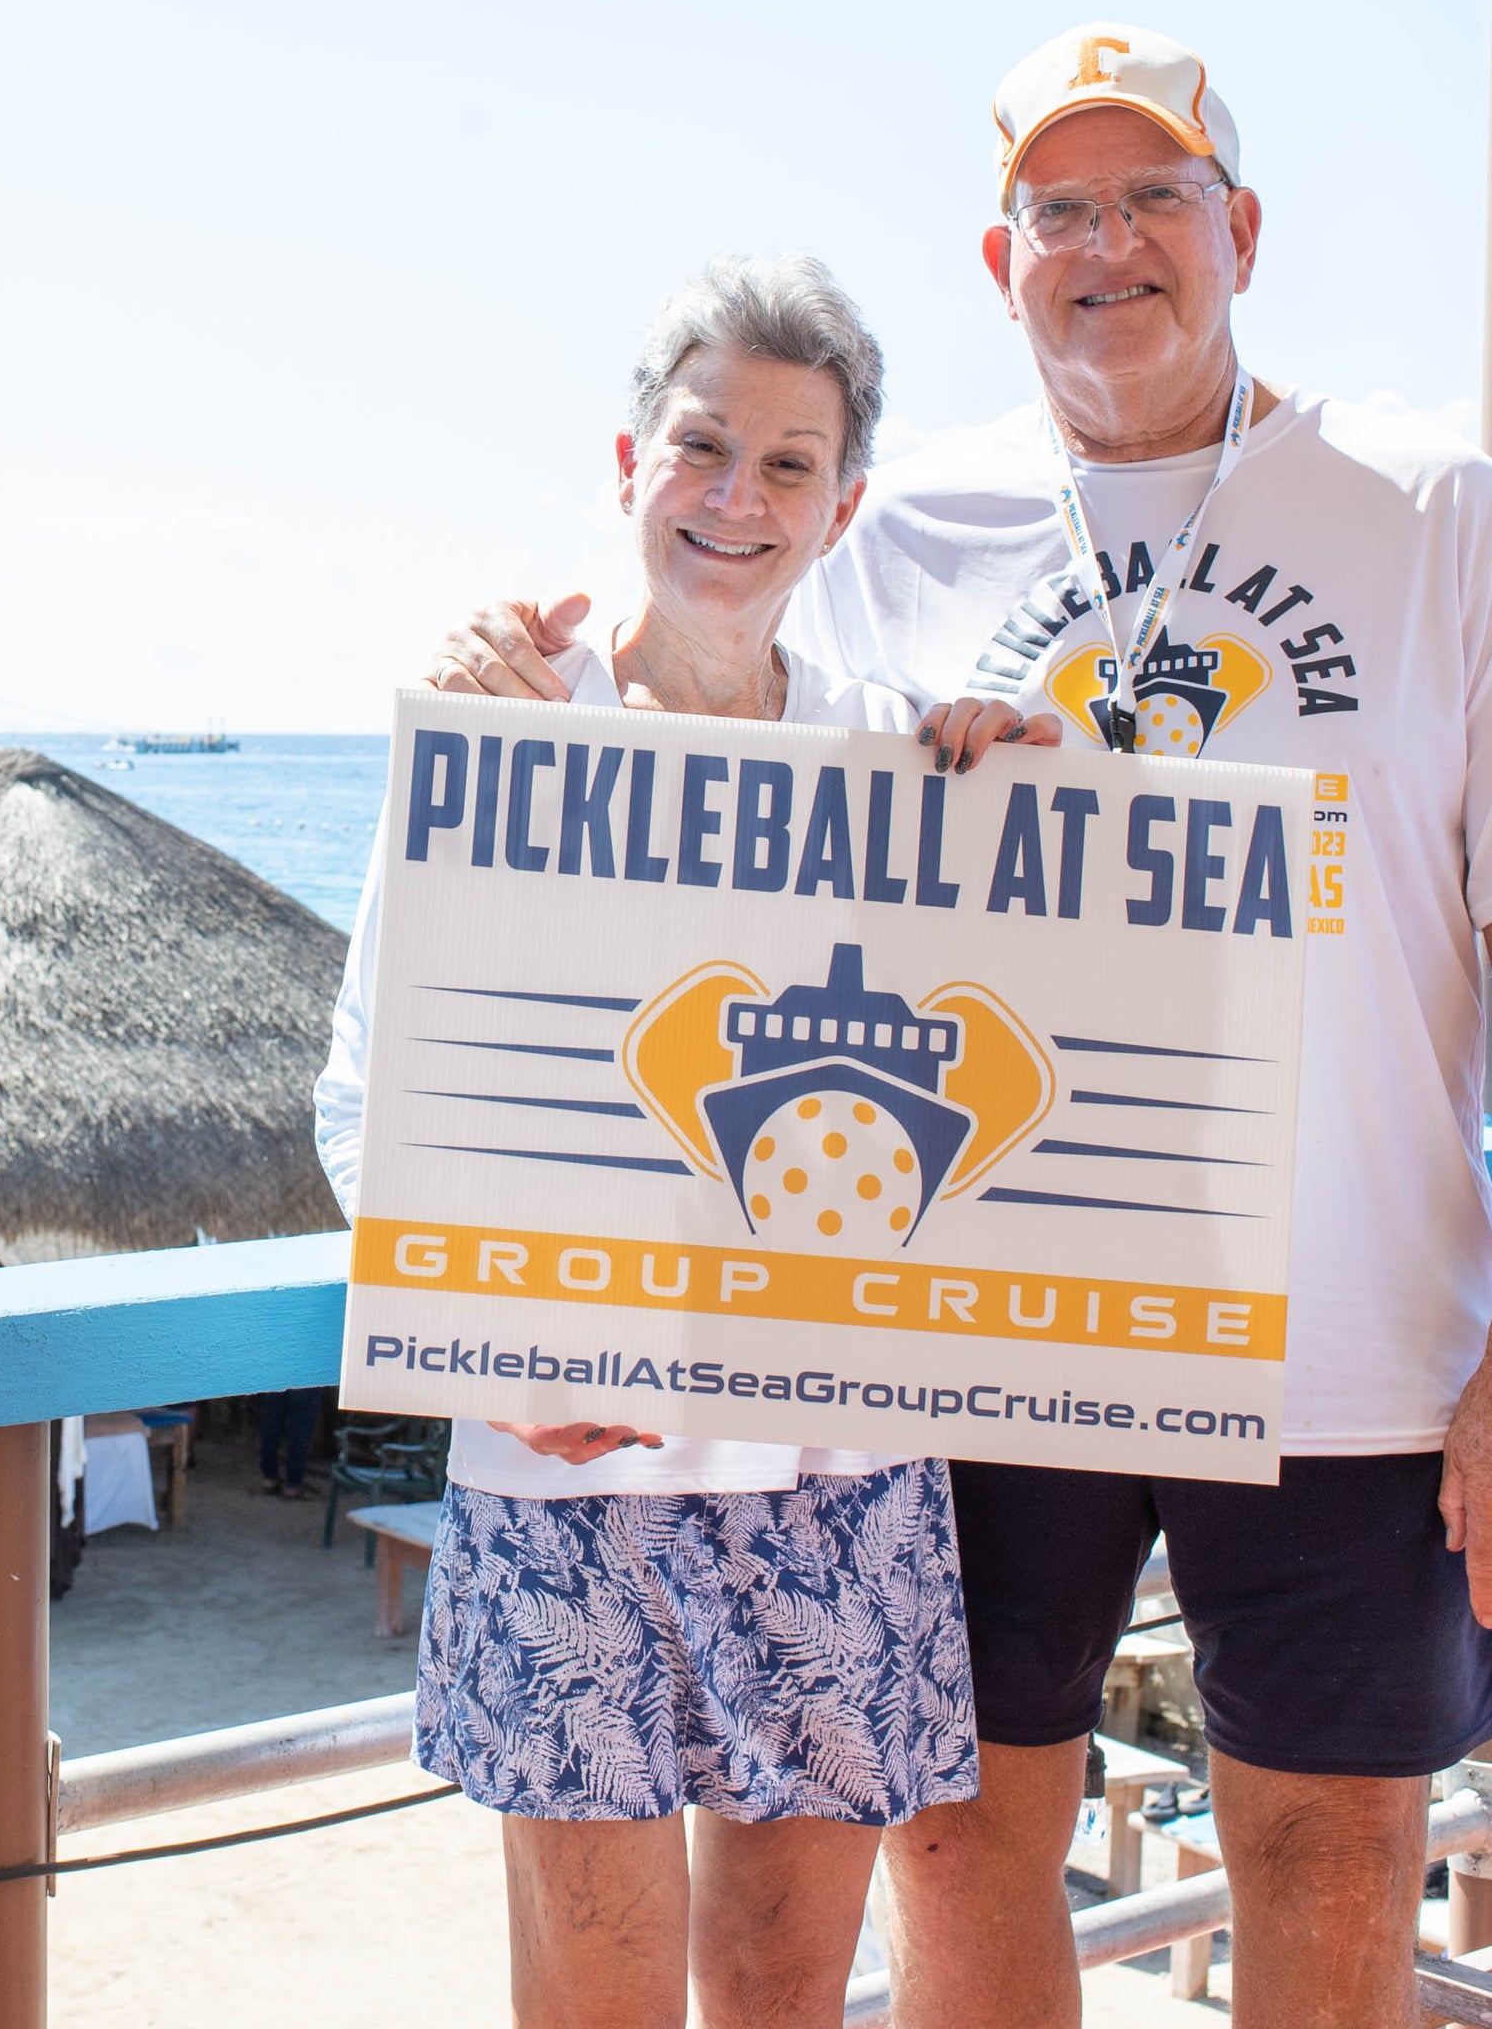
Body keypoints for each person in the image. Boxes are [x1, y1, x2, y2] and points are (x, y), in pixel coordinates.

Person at [428, 25, 1492, 2029]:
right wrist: (494, 667)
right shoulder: (899, 527)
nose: (1112, 246)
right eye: (1061, 210)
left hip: (1345, 1348)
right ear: (1004, 258)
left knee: (1336, 1850)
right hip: (988, 1337)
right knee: (959, 1844)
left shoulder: (1437, 504)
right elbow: (686, 761)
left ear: (1239, 227)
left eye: (1155, 195)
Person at [320, 253, 1027, 2029]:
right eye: (705, 448)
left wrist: (1044, 808)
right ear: (629, 460)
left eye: (791, 466)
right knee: (594, 2009)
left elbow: (1040, 1093)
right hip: (570, 1481)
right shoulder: (510, 733)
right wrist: (483, 1355)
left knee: (786, 2000)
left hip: (843, 1480)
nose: (738, 500)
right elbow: (363, 1099)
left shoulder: (905, 762)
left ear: (845, 505)